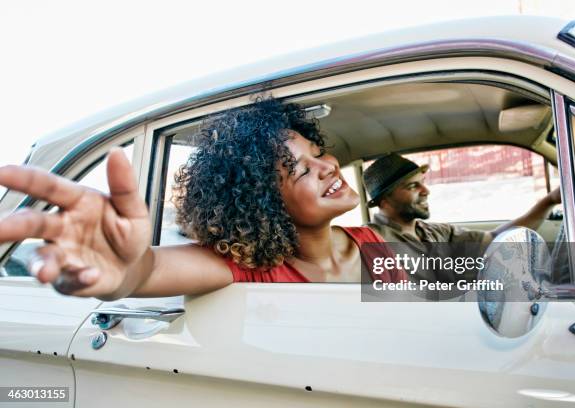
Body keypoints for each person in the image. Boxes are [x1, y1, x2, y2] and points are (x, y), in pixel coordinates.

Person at [0, 98, 404, 300]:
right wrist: (122, 263)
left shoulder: (370, 242)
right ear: (264, 203)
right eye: (299, 171)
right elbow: (148, 270)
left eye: (317, 154)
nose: (328, 167)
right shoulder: (251, 268)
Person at [363, 153, 562, 248]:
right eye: (413, 186)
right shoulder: (370, 241)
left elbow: (494, 239)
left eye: (422, 182)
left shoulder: (436, 232)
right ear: (384, 200)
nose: (426, 191)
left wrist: (550, 201)